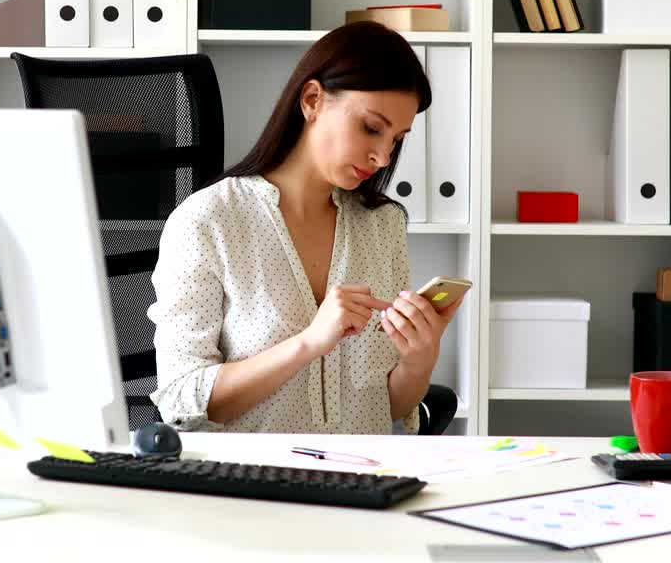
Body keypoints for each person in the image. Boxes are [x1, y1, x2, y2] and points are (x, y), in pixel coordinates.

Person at [148, 21, 462, 434]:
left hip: (364, 477)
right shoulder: (208, 222)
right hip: (256, 484)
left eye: (397, 139)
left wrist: (420, 358)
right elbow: (182, 399)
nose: (383, 157)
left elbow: (387, 407)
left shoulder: (383, 224)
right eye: (371, 127)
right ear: (313, 100)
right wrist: (309, 343)